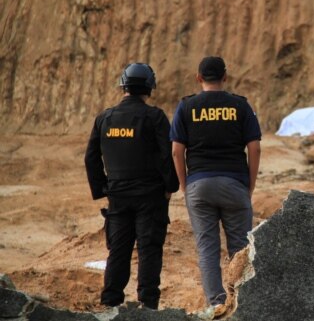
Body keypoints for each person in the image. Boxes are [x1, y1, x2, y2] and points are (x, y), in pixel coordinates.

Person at [170, 56, 261, 317]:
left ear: (199, 78)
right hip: (235, 183)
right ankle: (241, 301)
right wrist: (250, 185)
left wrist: (186, 186)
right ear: (225, 77)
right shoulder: (240, 106)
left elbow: (177, 151)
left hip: (199, 183)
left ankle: (216, 303)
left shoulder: (186, 106)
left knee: (207, 248)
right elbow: (254, 147)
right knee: (240, 248)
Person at [84, 63, 179, 310]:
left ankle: (109, 305)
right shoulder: (155, 116)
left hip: (118, 196)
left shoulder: (104, 118)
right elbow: (167, 155)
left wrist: (103, 188)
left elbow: (91, 158)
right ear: (149, 87)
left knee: (118, 251)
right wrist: (171, 186)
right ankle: (148, 307)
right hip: (151, 196)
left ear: (123, 86)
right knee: (149, 250)